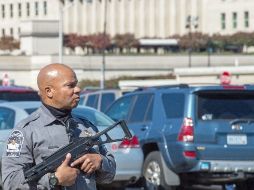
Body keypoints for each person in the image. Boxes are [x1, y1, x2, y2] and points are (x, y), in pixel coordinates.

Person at [1, 63, 116, 190]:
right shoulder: (25, 131)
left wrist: (100, 162)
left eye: (76, 84)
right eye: (70, 85)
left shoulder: (86, 127)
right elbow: (10, 182)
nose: (78, 89)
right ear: (49, 91)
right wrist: (54, 179)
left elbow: (109, 177)